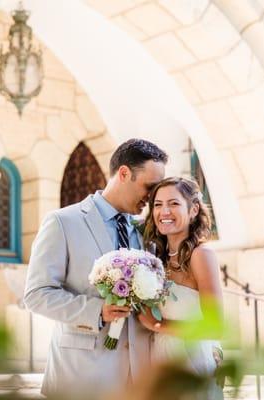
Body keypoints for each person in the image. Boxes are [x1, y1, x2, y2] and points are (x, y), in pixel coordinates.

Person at [23, 139, 168, 397]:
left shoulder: (147, 231)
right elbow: (36, 294)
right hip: (82, 374)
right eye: (150, 186)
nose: (153, 196)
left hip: (139, 378)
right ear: (124, 173)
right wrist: (96, 310)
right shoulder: (62, 222)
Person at [139, 177, 224, 399]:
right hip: (160, 359)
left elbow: (215, 326)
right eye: (158, 205)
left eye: (174, 204)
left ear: (193, 209)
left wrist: (158, 325)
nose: (164, 211)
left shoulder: (201, 255)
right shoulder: (156, 258)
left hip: (191, 361)